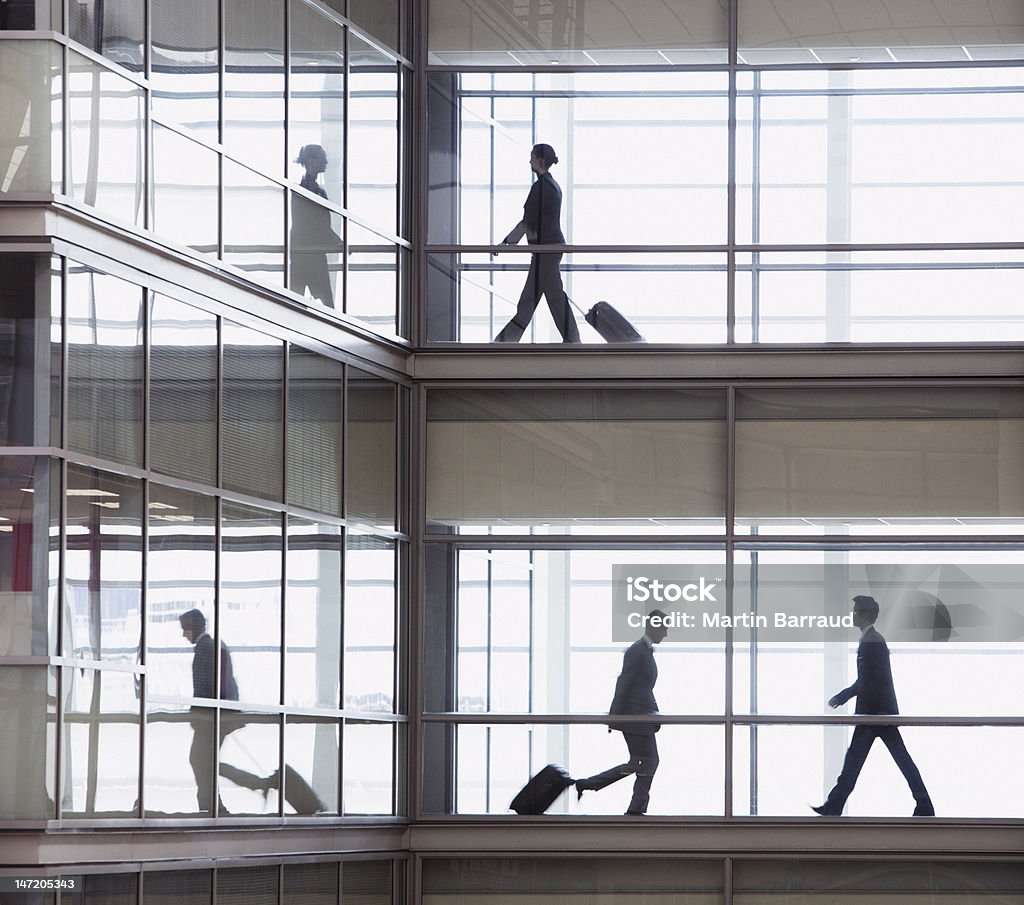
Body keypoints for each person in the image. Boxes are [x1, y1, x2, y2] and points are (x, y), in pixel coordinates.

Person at [812, 595, 934, 817]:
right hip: (877, 713)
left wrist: (843, 696)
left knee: (859, 762)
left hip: (875, 714)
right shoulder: (871, 640)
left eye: (856, 611)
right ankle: (924, 804)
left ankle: (834, 806)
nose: (853, 615)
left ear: (865, 615)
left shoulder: (873, 641)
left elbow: (869, 680)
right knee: (883, 761)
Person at [574, 609, 669, 815]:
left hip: (640, 718)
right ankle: (636, 807)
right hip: (635, 719)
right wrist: (614, 716)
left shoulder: (643, 650)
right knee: (650, 760)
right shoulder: (638, 651)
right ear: (653, 626)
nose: (666, 633)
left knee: (638, 762)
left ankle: (589, 784)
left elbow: (638, 687)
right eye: (664, 628)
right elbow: (623, 683)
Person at [493, 143, 581, 343]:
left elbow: (528, 221)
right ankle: (504, 342)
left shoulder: (542, 187)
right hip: (546, 249)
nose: (529, 161)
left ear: (540, 160)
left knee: (554, 296)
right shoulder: (551, 186)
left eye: (532, 157)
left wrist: (507, 244)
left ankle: (574, 341)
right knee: (529, 300)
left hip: (546, 250)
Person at [179, 608, 239, 812]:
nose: (183, 634)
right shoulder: (215, 646)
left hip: (209, 719)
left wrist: (196, 715)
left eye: (185, 629)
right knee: (204, 760)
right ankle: (213, 804)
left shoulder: (204, 648)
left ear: (194, 627)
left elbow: (204, 687)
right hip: (219, 716)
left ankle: (210, 804)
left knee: (199, 759)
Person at [290, 144, 341, 308]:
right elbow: (316, 224)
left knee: (296, 302)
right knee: (325, 305)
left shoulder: (306, 190)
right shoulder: (307, 191)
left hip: (304, 252)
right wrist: (336, 241)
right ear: (313, 161)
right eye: (322, 158)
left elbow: (317, 224)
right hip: (310, 254)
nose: (326, 162)